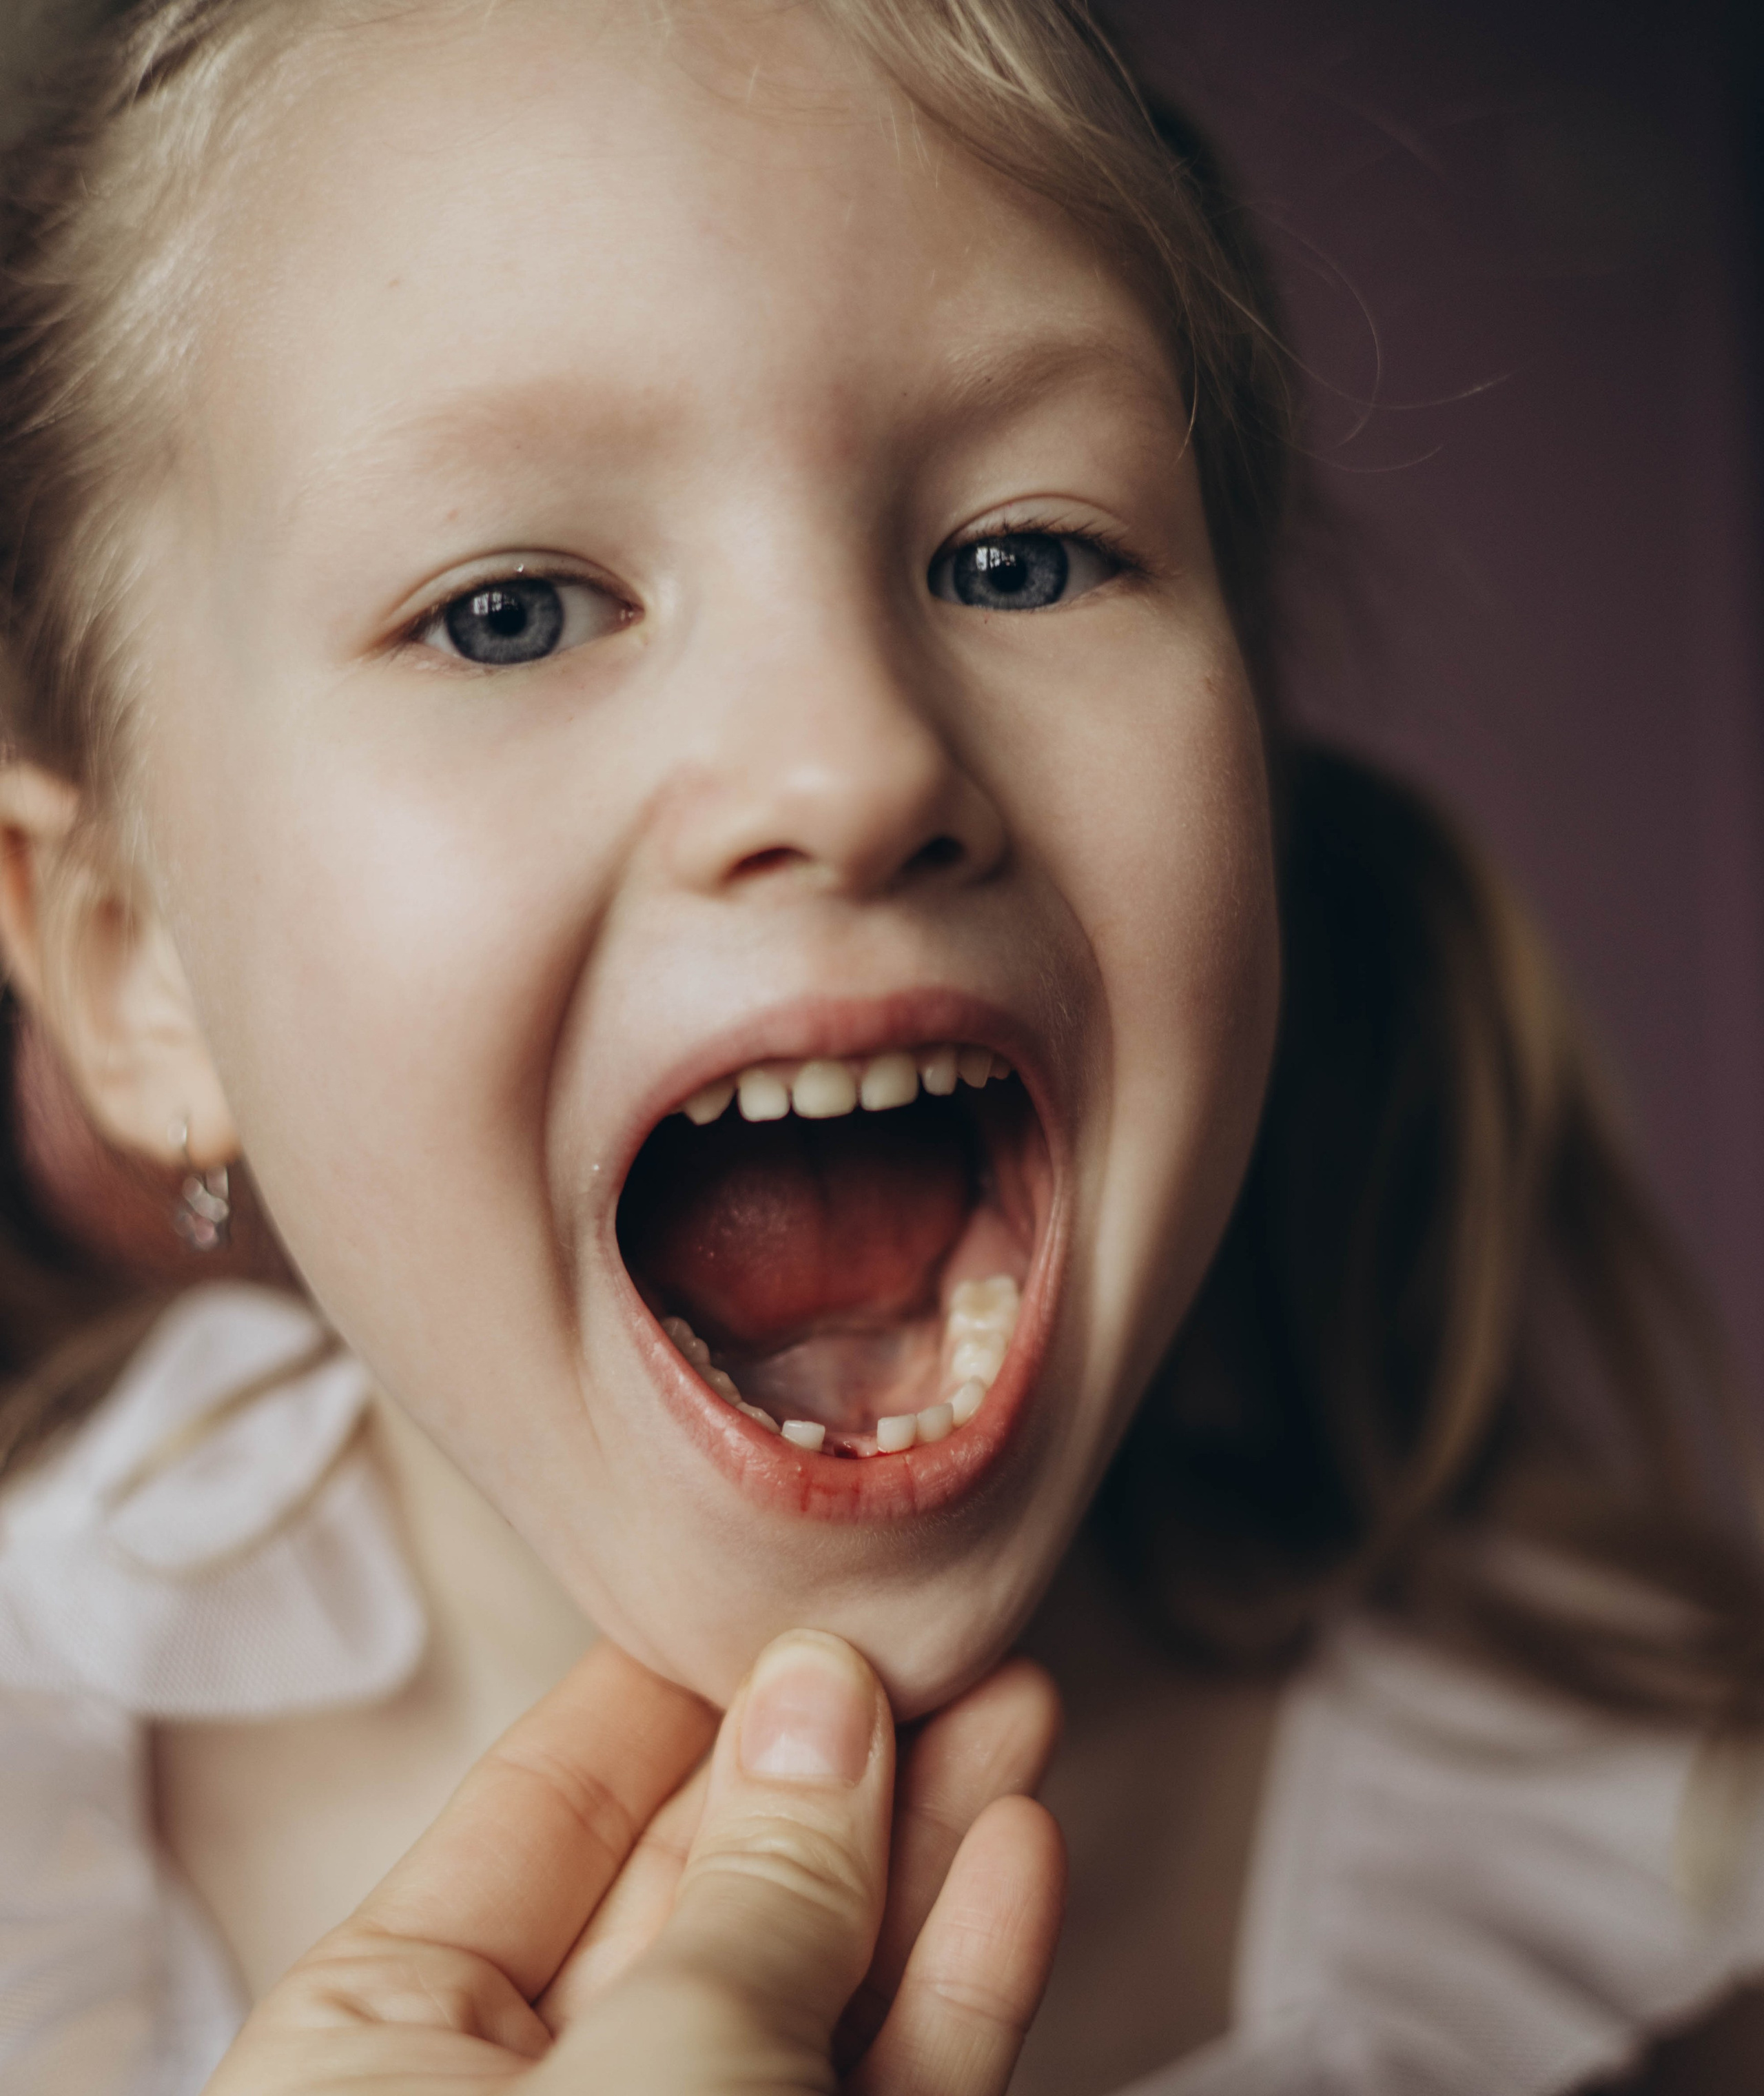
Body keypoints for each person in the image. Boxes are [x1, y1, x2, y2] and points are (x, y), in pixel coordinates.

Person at [0, 0, 1761, 2091]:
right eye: (510, 611)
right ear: (133, 967)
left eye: (1019, 558)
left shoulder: (1671, 1921)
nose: (853, 761)